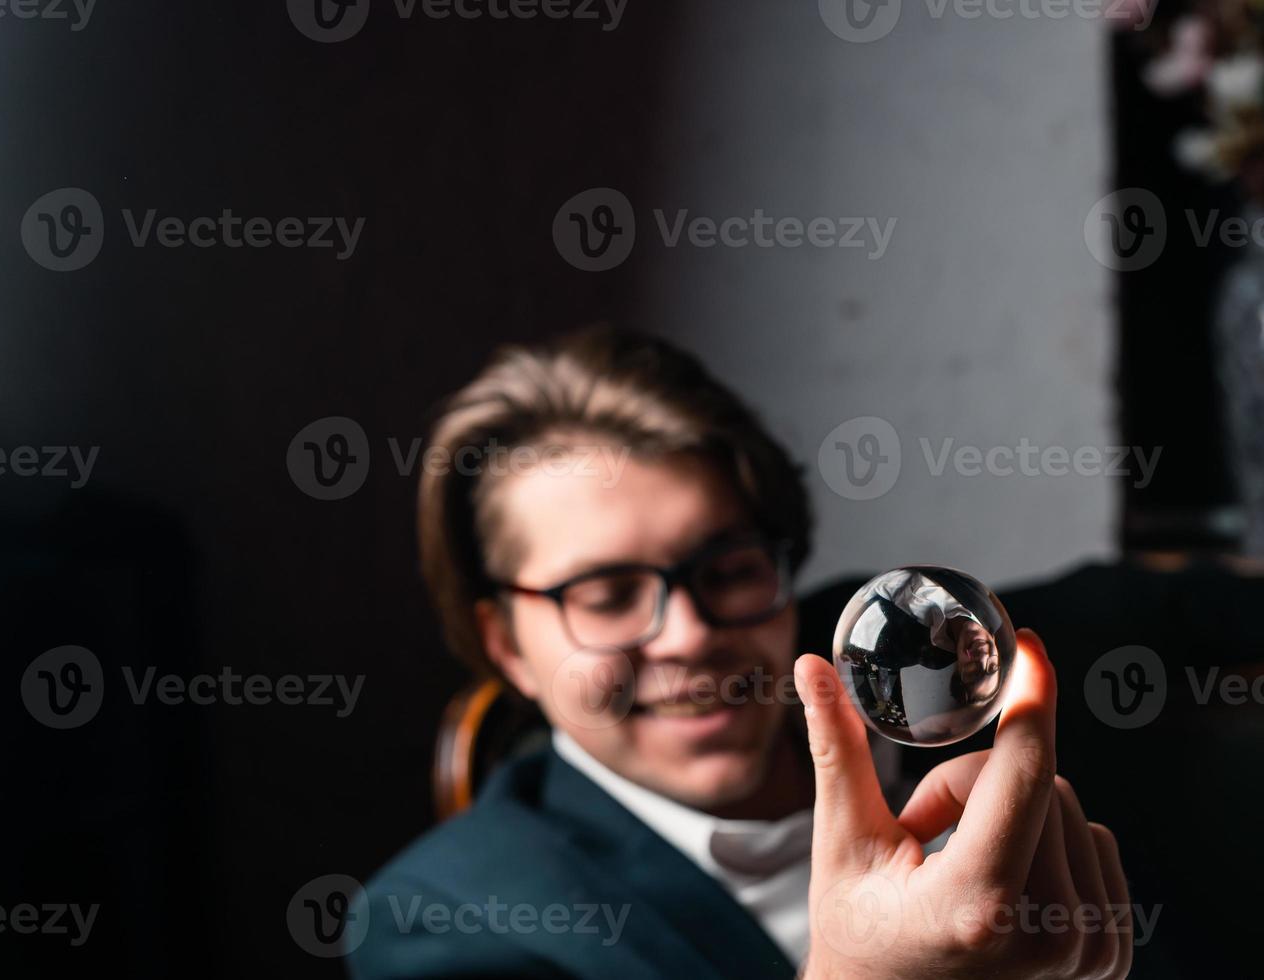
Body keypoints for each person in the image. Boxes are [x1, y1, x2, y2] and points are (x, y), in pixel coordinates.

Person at [349, 326, 1132, 979]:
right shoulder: (443, 923)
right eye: (608, 594)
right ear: (505, 644)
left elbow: (1157, 608)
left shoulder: (912, 644)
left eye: (728, 571)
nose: (689, 634)